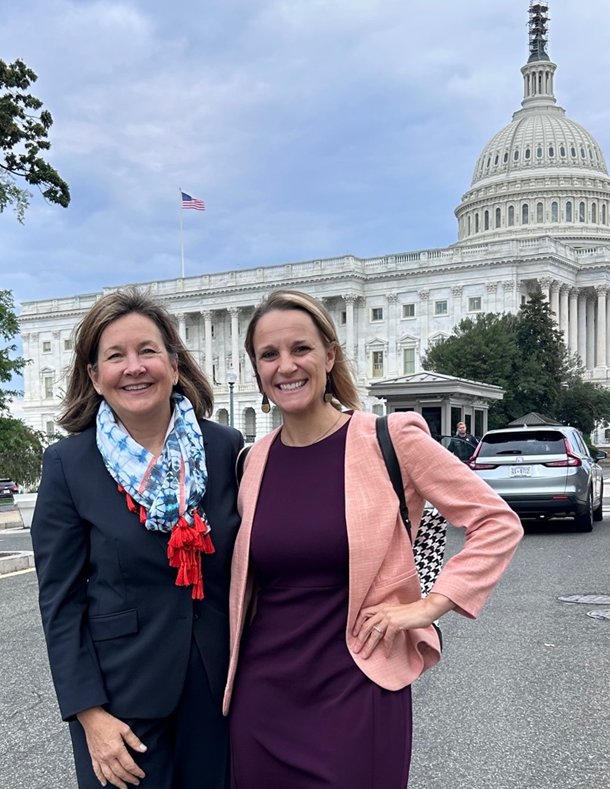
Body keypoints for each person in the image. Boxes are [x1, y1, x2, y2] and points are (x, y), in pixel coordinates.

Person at [222, 289, 523, 789]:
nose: (286, 366)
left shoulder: (390, 438)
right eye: (268, 354)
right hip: (264, 695)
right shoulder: (252, 461)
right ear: (256, 370)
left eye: (301, 348)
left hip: (357, 684)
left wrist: (428, 608)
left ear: (330, 356)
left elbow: (496, 522)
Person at [31, 288, 243, 789]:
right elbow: (59, 602)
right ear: (94, 377)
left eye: (147, 350)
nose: (134, 367)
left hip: (219, 692)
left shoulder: (223, 448)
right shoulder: (69, 465)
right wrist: (89, 716)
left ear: (173, 362)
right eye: (115, 356)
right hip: (120, 704)